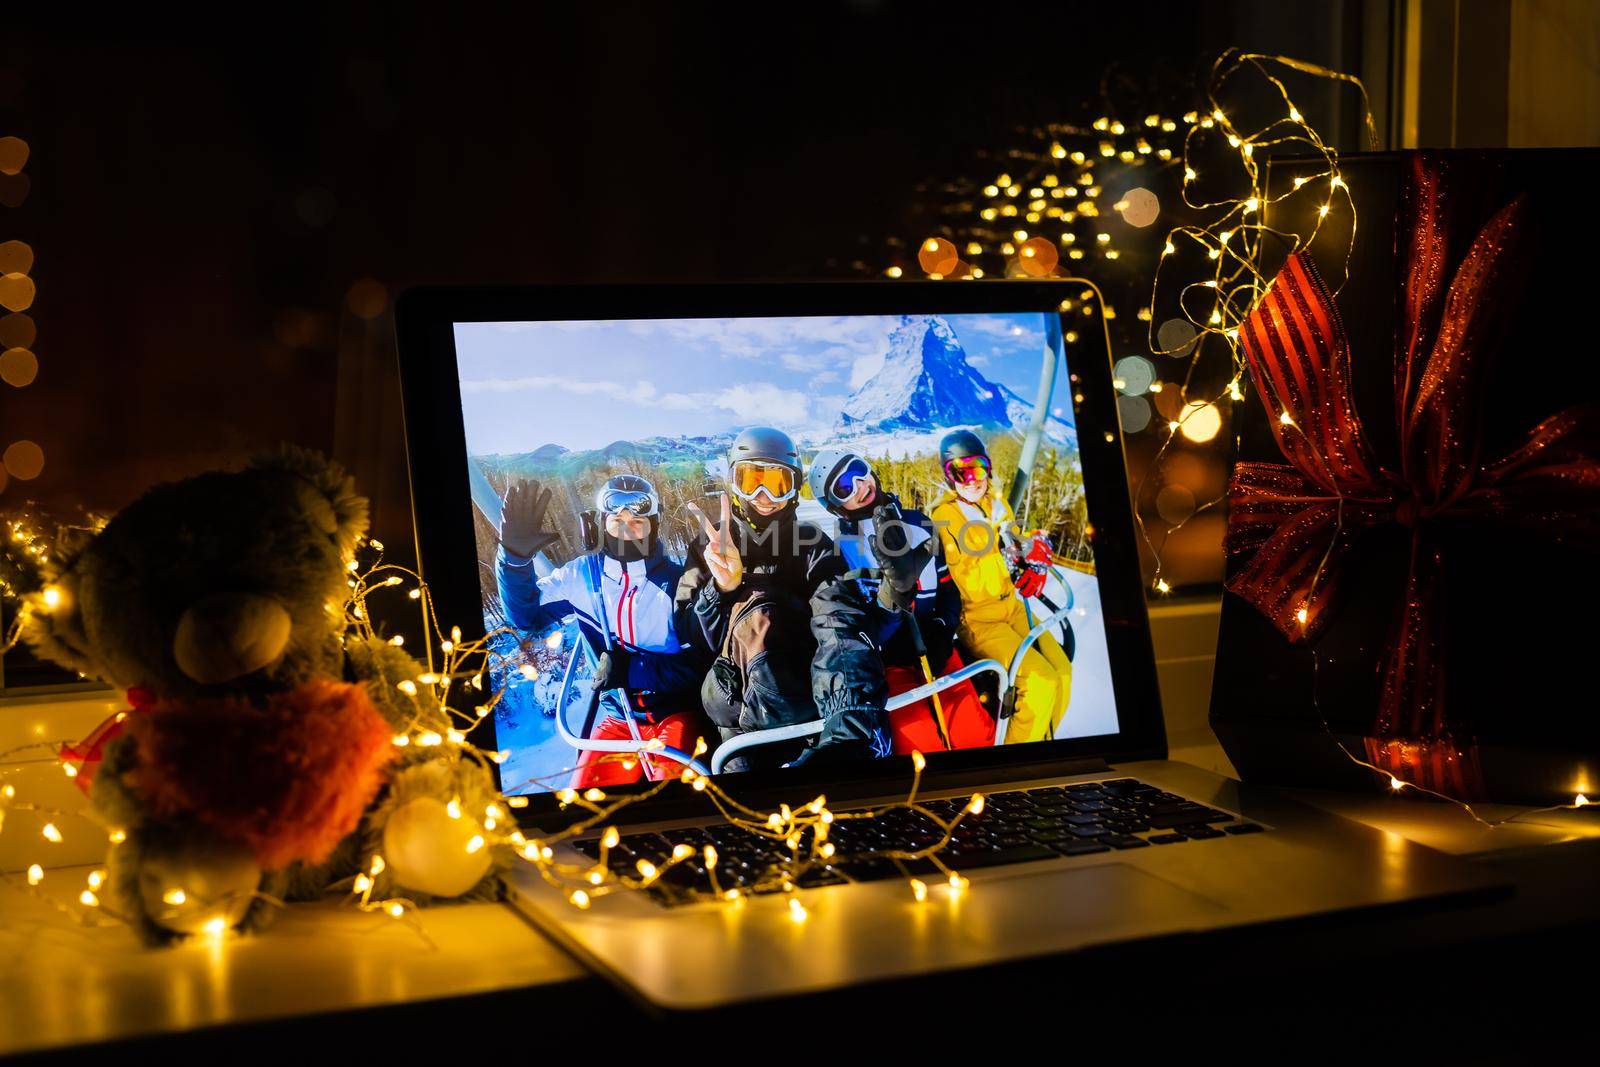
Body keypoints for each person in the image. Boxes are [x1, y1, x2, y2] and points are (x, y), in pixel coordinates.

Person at [676, 427, 887, 771]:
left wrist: (848, 720)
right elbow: (693, 640)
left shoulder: (811, 544)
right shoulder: (711, 545)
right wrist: (722, 589)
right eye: (751, 480)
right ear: (734, 483)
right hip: (737, 720)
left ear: (793, 488)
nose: (763, 496)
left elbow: (838, 622)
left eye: (777, 484)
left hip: (807, 706)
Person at [497, 473, 707, 788]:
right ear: (599, 524)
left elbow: (700, 667)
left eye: (638, 521)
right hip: (620, 718)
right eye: (616, 520)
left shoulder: (680, 585)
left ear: (653, 527)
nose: (626, 530)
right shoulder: (580, 576)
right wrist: (513, 560)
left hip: (674, 713)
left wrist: (630, 670)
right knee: (583, 796)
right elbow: (525, 616)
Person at [806, 448, 995, 752]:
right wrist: (891, 609)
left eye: (859, 471)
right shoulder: (841, 554)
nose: (859, 486)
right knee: (921, 745)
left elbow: (947, 589)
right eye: (844, 488)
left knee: (974, 735)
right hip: (889, 664)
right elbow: (853, 628)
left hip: (936, 648)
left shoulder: (920, 524)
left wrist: (942, 626)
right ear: (835, 507)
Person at [927, 430, 1072, 745]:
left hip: (1014, 609)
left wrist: (1032, 552)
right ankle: (1017, 761)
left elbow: (1014, 539)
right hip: (980, 620)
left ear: (988, 468)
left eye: (977, 468)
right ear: (949, 477)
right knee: (1040, 681)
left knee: (1061, 670)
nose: (972, 480)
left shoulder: (997, 502)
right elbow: (968, 584)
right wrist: (1008, 557)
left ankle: (1046, 741)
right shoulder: (945, 517)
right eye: (960, 472)